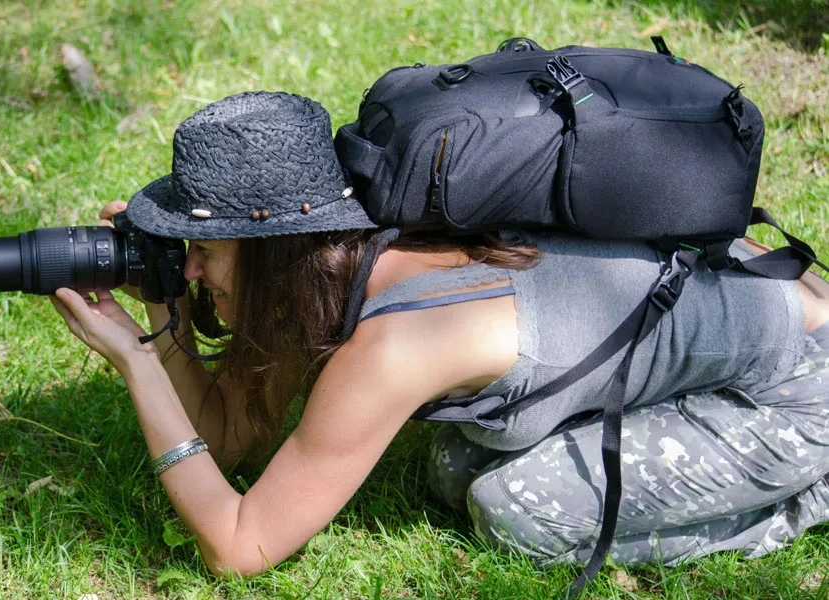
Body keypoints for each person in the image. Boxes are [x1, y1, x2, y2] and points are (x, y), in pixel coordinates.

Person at [50, 91, 829, 577]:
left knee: (517, 505)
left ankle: (805, 499)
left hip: (799, 384)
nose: (192, 271)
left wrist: (137, 364)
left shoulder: (398, 346)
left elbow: (238, 546)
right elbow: (234, 440)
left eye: (203, 252)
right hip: (747, 303)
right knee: (455, 461)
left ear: (274, 251)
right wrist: (159, 304)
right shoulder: (348, 240)